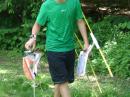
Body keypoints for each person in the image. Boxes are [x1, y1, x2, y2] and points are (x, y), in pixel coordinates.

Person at [25, 0, 89, 97]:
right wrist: (32, 38)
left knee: (60, 81)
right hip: (53, 50)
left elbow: (80, 21)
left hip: (69, 48)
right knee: (63, 82)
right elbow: (37, 24)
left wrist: (86, 42)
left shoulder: (74, 2)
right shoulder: (47, 5)